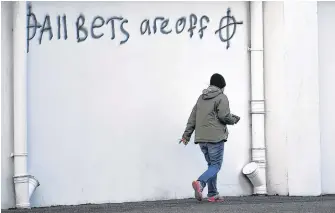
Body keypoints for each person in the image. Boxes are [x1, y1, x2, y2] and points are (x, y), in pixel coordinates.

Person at [180, 73, 240, 202]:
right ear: (221, 86)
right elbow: (224, 116)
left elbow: (192, 118)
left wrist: (186, 136)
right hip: (215, 138)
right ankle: (201, 183)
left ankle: (212, 194)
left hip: (202, 139)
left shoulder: (201, 98)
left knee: (211, 165)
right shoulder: (222, 97)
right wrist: (234, 119)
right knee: (216, 165)